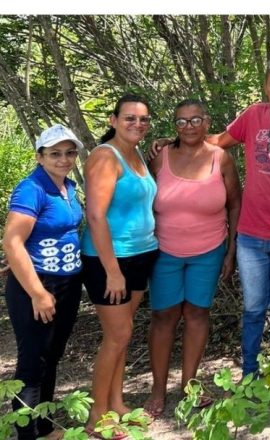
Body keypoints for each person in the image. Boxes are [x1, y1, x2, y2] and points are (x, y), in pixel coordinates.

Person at [153, 58, 270, 376]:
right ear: (266, 87)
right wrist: (178, 141)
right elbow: (218, 140)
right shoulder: (254, 116)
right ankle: (250, 373)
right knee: (252, 308)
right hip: (250, 235)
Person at [142, 99, 241, 418]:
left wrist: (231, 250)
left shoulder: (221, 159)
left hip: (209, 250)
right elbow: (140, 196)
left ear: (207, 122)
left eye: (195, 120)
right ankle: (158, 390)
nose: (188, 127)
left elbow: (235, 205)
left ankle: (190, 386)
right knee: (164, 316)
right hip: (164, 251)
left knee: (197, 313)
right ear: (174, 126)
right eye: (181, 121)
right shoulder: (159, 158)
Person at [82, 94, 159, 436]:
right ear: (113, 120)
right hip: (109, 260)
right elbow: (96, 215)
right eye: (130, 118)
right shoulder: (105, 156)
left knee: (123, 337)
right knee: (117, 336)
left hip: (140, 255)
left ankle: (116, 402)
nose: (137, 125)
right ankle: (97, 416)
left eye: (143, 119)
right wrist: (112, 271)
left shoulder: (137, 152)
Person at [2, 125, 84, 440]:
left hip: (67, 283)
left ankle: (45, 428)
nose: (63, 159)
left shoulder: (69, 186)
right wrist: (38, 293)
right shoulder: (31, 189)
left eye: (69, 152)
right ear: (40, 156)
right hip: (36, 285)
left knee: (51, 356)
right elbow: (12, 242)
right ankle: (25, 435)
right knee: (32, 360)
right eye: (54, 153)